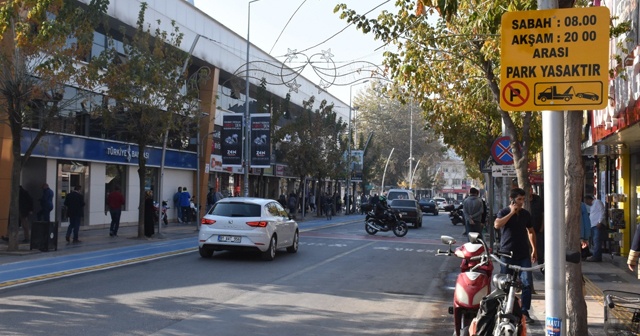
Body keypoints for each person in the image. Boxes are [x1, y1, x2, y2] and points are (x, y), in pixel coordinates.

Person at [494, 187, 537, 324]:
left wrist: (534, 249)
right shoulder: (504, 212)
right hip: (507, 253)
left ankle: (524, 311)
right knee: (505, 283)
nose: (521, 202)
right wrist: (511, 213)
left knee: (526, 283)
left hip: (523, 254)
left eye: (523, 200)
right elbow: (497, 225)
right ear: (512, 199)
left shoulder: (525, 214)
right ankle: (506, 309)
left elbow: (531, 231)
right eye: (519, 199)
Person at [585, 195, 605, 262]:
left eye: (586, 201)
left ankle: (597, 257)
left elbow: (602, 212)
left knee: (597, 240)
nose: (586, 203)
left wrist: (600, 222)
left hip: (597, 225)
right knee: (595, 241)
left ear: (588, 199)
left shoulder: (597, 202)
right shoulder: (592, 206)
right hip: (593, 225)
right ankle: (596, 255)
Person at [529, 188, 544, 265]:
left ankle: (542, 266)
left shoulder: (538, 200)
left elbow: (543, 214)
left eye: (530, 189)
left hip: (537, 229)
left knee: (540, 251)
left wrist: (542, 228)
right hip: (527, 231)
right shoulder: (523, 201)